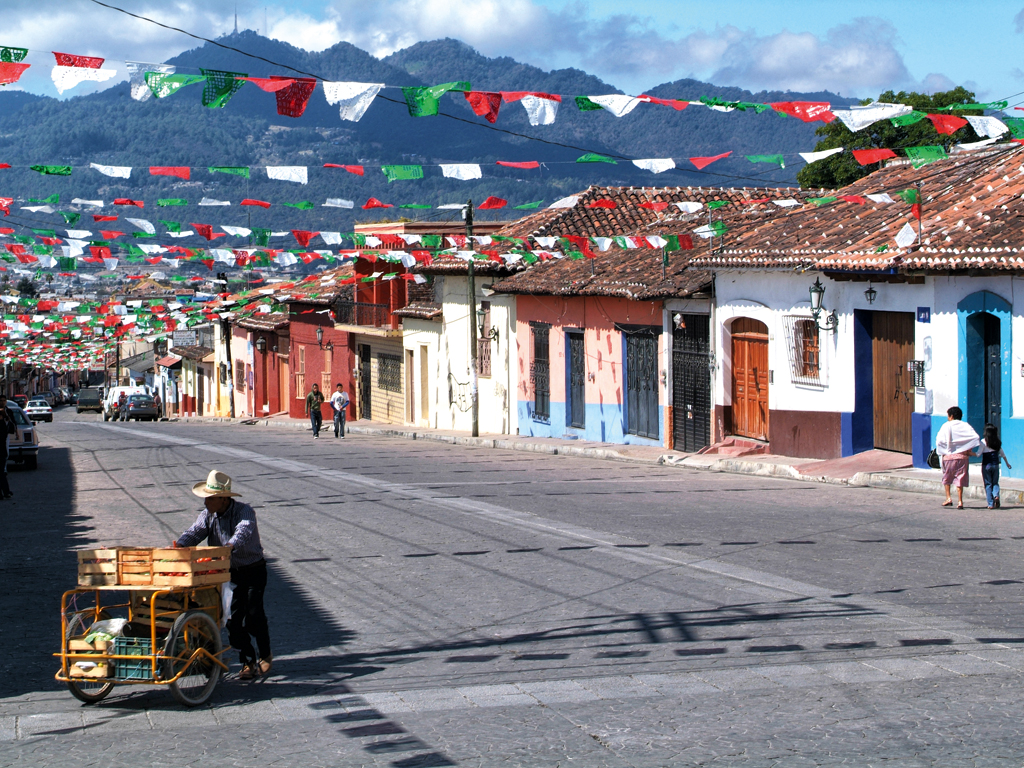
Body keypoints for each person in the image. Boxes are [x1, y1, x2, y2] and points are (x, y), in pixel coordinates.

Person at [174, 469, 272, 680]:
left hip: (253, 569)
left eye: (209, 498)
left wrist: (228, 546)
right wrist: (180, 545)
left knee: (254, 615)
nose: (205, 502)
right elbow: (195, 532)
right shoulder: (208, 515)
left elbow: (243, 532)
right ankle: (248, 662)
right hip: (227, 574)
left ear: (223, 499)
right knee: (233, 621)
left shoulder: (244, 511)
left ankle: (265, 653)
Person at [935, 406, 980, 509]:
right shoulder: (966, 425)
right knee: (960, 478)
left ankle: (948, 498)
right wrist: (966, 448)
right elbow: (975, 437)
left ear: (951, 416)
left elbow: (939, 441)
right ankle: (960, 501)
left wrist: (946, 449)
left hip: (948, 457)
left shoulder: (946, 426)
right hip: (962, 457)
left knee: (947, 477)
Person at [977, 423, 1012, 509]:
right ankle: (996, 495)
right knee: (995, 482)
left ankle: (990, 504)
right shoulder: (997, 442)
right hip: (995, 465)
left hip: (986, 465)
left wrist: (969, 453)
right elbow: (1002, 454)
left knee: (988, 484)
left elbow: (978, 454)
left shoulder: (983, 442)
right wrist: (1007, 463)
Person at [0, 396, 15, 500]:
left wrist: (6, 418)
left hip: (2, 447)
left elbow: (12, 426)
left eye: (3, 401)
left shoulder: (8, 412)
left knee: (1, 471)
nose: (2, 402)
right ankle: (5, 492)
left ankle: (5, 492)